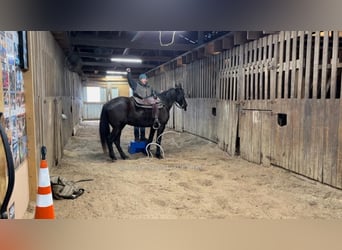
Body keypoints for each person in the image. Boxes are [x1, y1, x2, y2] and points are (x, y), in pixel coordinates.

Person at [126, 68, 159, 142]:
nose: (145, 80)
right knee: (137, 123)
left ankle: (143, 137)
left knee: (143, 123)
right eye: (143, 78)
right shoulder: (136, 85)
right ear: (140, 79)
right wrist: (129, 73)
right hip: (137, 106)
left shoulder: (149, 87)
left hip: (146, 108)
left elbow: (155, 93)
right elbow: (130, 81)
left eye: (145, 79)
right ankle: (137, 137)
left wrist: (160, 93)